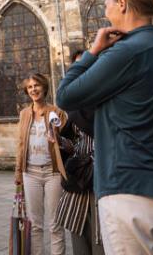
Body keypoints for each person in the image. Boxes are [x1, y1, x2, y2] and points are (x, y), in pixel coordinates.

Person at [57, 0, 153, 254]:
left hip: (132, 190)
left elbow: (65, 95)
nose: (105, 11)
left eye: (106, 3)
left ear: (121, 3)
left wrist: (93, 51)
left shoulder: (126, 52)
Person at [55, 50, 103, 255]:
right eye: (79, 67)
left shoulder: (109, 98)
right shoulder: (74, 107)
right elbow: (75, 141)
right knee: (79, 237)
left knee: (102, 240)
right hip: (80, 184)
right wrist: (61, 143)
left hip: (104, 180)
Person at [14, 72, 67, 255]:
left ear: (44, 87)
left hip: (53, 173)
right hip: (31, 173)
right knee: (35, 224)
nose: (33, 89)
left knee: (55, 224)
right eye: (30, 87)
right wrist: (18, 173)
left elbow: (69, 143)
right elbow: (21, 145)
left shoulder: (57, 112)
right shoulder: (24, 114)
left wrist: (57, 139)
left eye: (36, 85)